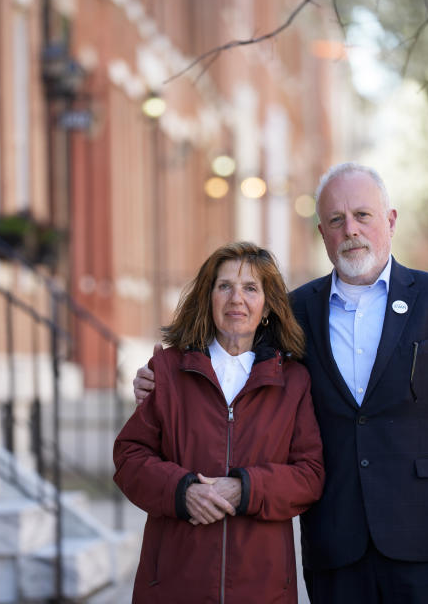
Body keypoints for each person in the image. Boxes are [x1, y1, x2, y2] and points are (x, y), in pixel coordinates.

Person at [133, 163, 428, 603]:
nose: (351, 230)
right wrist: (158, 378)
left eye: (363, 215)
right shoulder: (293, 312)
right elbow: (232, 356)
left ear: (391, 220)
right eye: (336, 220)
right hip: (336, 544)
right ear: (323, 232)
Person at [114, 241, 325, 604]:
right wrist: (183, 492)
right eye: (224, 286)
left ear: (269, 304)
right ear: (207, 297)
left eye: (250, 288)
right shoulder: (167, 370)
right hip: (176, 584)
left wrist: (246, 489)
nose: (236, 299)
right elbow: (130, 457)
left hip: (263, 586)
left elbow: (309, 475)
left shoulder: (293, 381)